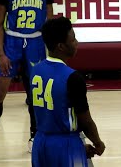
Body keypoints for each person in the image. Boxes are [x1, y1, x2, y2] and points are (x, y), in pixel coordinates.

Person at [0, 0, 54, 163]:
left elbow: (49, 19)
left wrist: (49, 53)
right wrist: (1, 54)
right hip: (12, 42)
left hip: (36, 42)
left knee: (36, 94)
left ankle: (34, 137)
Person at [31, 16, 105, 167]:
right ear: (61, 46)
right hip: (66, 144)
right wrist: (98, 143)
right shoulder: (72, 77)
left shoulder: (35, 70)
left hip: (40, 144)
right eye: (73, 39)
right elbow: (86, 121)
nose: (76, 43)